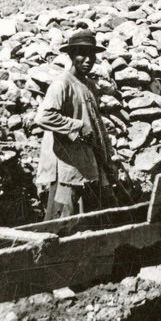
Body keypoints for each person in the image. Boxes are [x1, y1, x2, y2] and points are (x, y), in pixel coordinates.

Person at [35, 29, 117, 220]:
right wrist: (77, 126)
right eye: (82, 54)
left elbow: (97, 125)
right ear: (71, 55)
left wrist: (108, 159)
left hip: (89, 163)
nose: (88, 60)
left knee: (90, 219)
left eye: (92, 55)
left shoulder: (90, 86)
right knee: (64, 219)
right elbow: (44, 116)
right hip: (68, 167)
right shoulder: (62, 84)